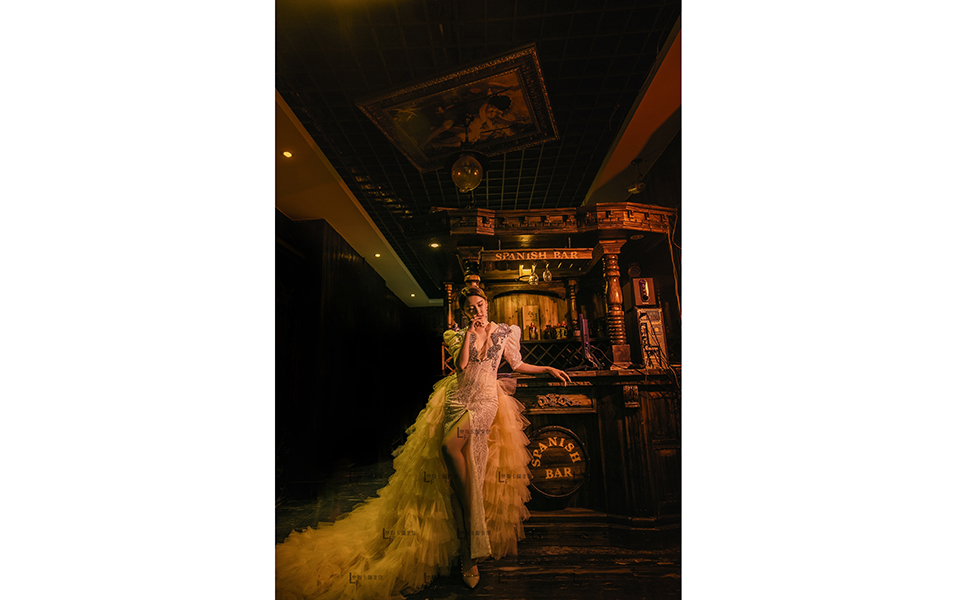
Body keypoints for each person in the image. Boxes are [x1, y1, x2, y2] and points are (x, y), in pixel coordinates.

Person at [275, 286, 570, 599]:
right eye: (471, 308)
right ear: (464, 312)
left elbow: (516, 364)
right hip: (457, 398)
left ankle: (470, 539)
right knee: (458, 465)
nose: (477, 311)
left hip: (486, 400)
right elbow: (461, 366)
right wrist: (470, 335)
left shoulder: (507, 331)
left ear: (487, 304)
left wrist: (547, 367)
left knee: (449, 447)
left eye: (480, 305)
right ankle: (470, 541)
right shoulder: (456, 335)